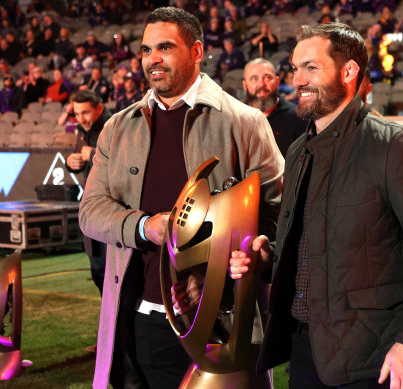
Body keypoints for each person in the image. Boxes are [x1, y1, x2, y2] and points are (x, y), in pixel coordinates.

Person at [229, 22, 403, 389]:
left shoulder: (394, 146)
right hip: (306, 351)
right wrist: (266, 258)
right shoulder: (298, 151)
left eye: (311, 67)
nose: (299, 80)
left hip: (373, 359)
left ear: (349, 71)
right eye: (295, 69)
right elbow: (314, 243)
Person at [78, 7, 283, 389]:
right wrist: (145, 226)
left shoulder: (244, 122)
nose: (152, 58)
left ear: (197, 51)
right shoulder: (117, 128)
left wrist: (252, 251)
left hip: (218, 324)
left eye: (165, 47)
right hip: (136, 320)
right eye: (144, 50)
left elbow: (280, 213)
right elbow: (90, 211)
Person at [65, 90, 111, 295]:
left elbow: (124, 165)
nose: (80, 119)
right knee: (98, 270)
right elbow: (82, 162)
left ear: (99, 108)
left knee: (112, 273)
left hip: (112, 211)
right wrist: (71, 164)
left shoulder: (114, 127)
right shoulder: (82, 130)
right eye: (77, 113)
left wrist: (91, 154)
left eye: (85, 113)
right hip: (91, 209)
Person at [243, 58, 307, 157]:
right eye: (254, 79)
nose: (261, 84)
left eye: (267, 77)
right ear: (245, 85)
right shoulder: (236, 118)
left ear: (277, 82)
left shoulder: (297, 116)